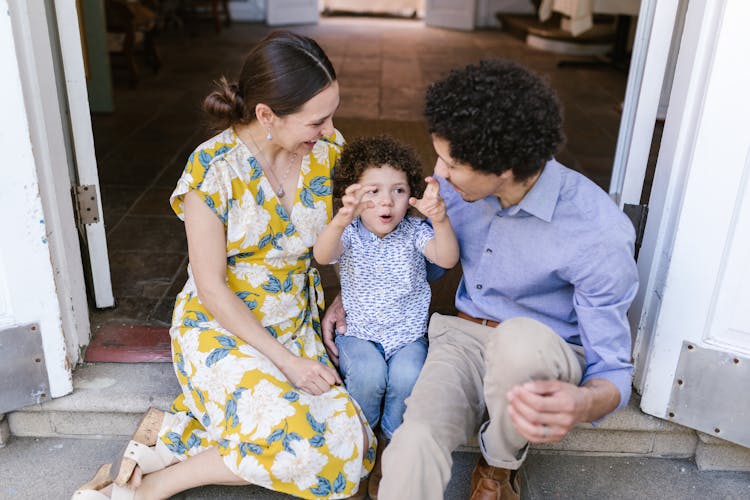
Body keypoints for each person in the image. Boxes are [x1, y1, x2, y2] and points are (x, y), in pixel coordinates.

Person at [73, 31, 375, 500]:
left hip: (293, 319)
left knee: (349, 444)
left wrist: (341, 296)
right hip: (222, 325)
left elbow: (352, 234)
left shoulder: (328, 152)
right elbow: (211, 287)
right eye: (317, 119)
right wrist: (288, 363)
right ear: (266, 115)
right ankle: (149, 489)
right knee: (304, 443)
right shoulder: (212, 170)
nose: (330, 128)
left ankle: (168, 446)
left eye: (331, 114)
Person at [322, 59, 639, 500]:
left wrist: (583, 403)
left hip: (545, 347)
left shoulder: (596, 231)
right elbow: (416, 263)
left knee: (517, 341)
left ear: (503, 170)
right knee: (412, 444)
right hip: (462, 337)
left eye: (451, 163)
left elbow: (612, 368)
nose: (439, 172)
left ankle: (496, 469)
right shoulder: (454, 191)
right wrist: (353, 295)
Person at [313, 135, 459, 497]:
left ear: (410, 196)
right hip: (359, 332)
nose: (385, 201)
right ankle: (361, 449)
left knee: (408, 377)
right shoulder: (349, 233)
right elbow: (322, 255)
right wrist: (338, 222)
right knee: (368, 374)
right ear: (354, 195)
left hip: (408, 335)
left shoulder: (414, 232)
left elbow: (447, 259)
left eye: (397, 191)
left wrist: (440, 221)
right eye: (373, 191)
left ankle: (389, 450)